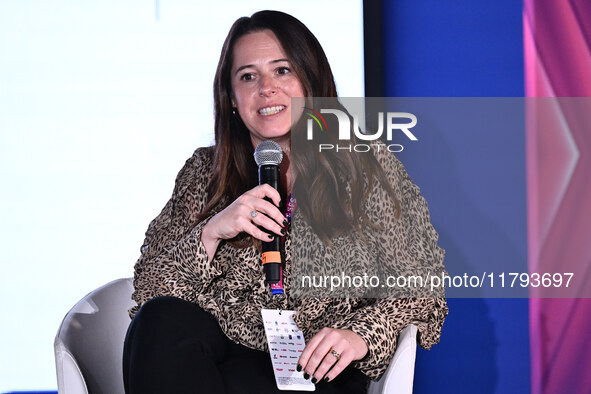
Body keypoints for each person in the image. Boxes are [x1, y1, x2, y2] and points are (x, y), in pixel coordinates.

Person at [123, 10, 447, 394]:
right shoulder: (203, 173)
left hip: (315, 364)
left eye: (282, 70)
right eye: (248, 76)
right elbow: (147, 291)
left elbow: (423, 287)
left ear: (310, 82)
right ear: (230, 98)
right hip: (219, 355)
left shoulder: (365, 167)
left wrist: (359, 335)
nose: (266, 88)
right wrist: (210, 233)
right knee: (159, 320)